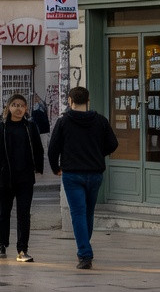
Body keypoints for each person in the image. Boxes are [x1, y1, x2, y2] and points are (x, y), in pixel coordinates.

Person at [47, 86, 119, 270]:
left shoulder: (64, 122)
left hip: (72, 174)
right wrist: (97, 154)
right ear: (88, 101)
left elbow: (53, 149)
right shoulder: (100, 121)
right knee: (88, 212)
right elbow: (113, 144)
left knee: (78, 213)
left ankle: (85, 254)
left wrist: (56, 168)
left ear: (70, 101)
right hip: (95, 173)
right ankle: (85, 247)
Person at [0, 93, 45, 263]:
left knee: (24, 214)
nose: (18, 108)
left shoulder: (30, 127)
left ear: (26, 108)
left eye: (21, 105)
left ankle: (22, 249)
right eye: (15, 105)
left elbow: (38, 148)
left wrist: (39, 167)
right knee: (4, 212)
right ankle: (1, 244)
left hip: (25, 178)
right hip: (5, 178)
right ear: (8, 107)